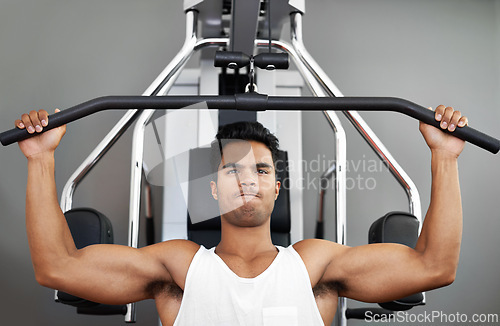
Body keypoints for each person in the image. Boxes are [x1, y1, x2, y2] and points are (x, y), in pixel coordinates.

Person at [15, 105, 468, 325]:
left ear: (277, 187)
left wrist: (444, 158)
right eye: (232, 170)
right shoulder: (179, 268)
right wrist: (40, 160)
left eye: (261, 169)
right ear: (214, 190)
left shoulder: (316, 266)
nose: (247, 179)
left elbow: (435, 267)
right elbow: (56, 266)